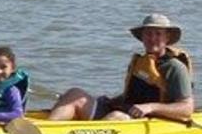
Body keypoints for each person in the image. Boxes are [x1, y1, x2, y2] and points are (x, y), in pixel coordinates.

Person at [48, 13, 194, 121]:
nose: (152, 38)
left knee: (115, 117)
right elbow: (135, 95)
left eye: (158, 34)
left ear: (167, 38)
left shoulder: (175, 67)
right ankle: (47, 131)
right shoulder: (140, 63)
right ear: (142, 37)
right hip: (127, 111)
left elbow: (187, 109)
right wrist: (112, 100)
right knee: (74, 94)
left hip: (150, 119)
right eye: (148, 34)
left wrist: (150, 107)